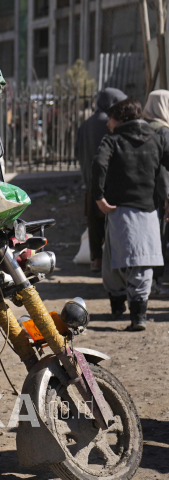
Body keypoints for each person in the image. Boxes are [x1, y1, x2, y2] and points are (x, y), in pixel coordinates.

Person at [93, 98, 169, 331]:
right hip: (147, 210)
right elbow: (164, 171)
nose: (108, 124)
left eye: (111, 119)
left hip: (119, 210)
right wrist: (167, 198)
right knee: (143, 262)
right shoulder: (156, 139)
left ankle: (119, 307)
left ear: (121, 120)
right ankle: (139, 315)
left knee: (114, 260)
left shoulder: (112, 140)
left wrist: (99, 196)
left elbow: (99, 164)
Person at [76, 88, 127, 273]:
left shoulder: (85, 124)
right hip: (110, 184)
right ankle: (112, 261)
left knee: (94, 222)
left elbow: (78, 152)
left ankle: (96, 260)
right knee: (110, 222)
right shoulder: (112, 124)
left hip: (90, 183)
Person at [143, 89, 169, 296]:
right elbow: (164, 169)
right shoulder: (164, 132)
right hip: (160, 194)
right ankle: (154, 281)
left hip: (141, 192)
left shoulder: (141, 128)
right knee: (159, 238)